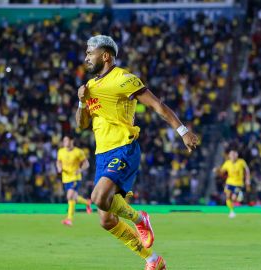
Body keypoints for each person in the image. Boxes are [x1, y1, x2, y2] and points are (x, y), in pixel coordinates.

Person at [76, 35, 199, 270]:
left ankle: (141, 218)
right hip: (102, 155)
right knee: (106, 220)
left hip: (124, 148)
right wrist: (82, 102)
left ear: (106, 56)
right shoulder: (90, 86)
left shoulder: (124, 79)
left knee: (98, 197)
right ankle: (153, 260)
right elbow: (81, 125)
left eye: (90, 53)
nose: (86, 57)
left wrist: (183, 131)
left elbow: (158, 106)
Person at [56, 135, 92, 226]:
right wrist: (59, 168)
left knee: (70, 196)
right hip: (65, 178)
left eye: (66, 140)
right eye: (63, 141)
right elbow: (58, 161)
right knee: (74, 197)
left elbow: (86, 164)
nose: (64, 143)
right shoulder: (61, 151)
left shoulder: (78, 152)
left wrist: (80, 169)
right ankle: (87, 202)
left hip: (75, 177)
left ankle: (69, 219)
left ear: (71, 141)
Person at [213, 149, 251, 218]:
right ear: (229, 156)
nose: (233, 156)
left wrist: (247, 180)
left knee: (233, 198)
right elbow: (222, 172)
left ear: (236, 155)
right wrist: (217, 170)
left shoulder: (241, 161)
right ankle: (232, 211)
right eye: (231, 155)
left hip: (238, 183)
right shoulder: (227, 163)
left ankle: (240, 195)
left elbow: (247, 170)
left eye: (234, 154)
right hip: (229, 182)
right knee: (227, 197)